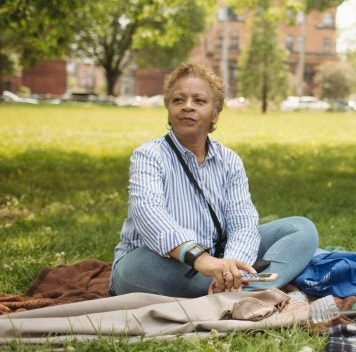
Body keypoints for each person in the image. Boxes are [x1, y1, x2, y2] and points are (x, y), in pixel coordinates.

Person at [110, 62, 319, 297]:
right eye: (178, 100)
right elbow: (149, 214)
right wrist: (200, 259)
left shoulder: (229, 161)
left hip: (217, 261)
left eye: (199, 101)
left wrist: (229, 267)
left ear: (215, 115)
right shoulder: (149, 155)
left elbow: (243, 224)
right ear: (169, 109)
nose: (187, 107)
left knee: (301, 230)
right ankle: (248, 292)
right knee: (138, 266)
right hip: (164, 264)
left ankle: (231, 290)